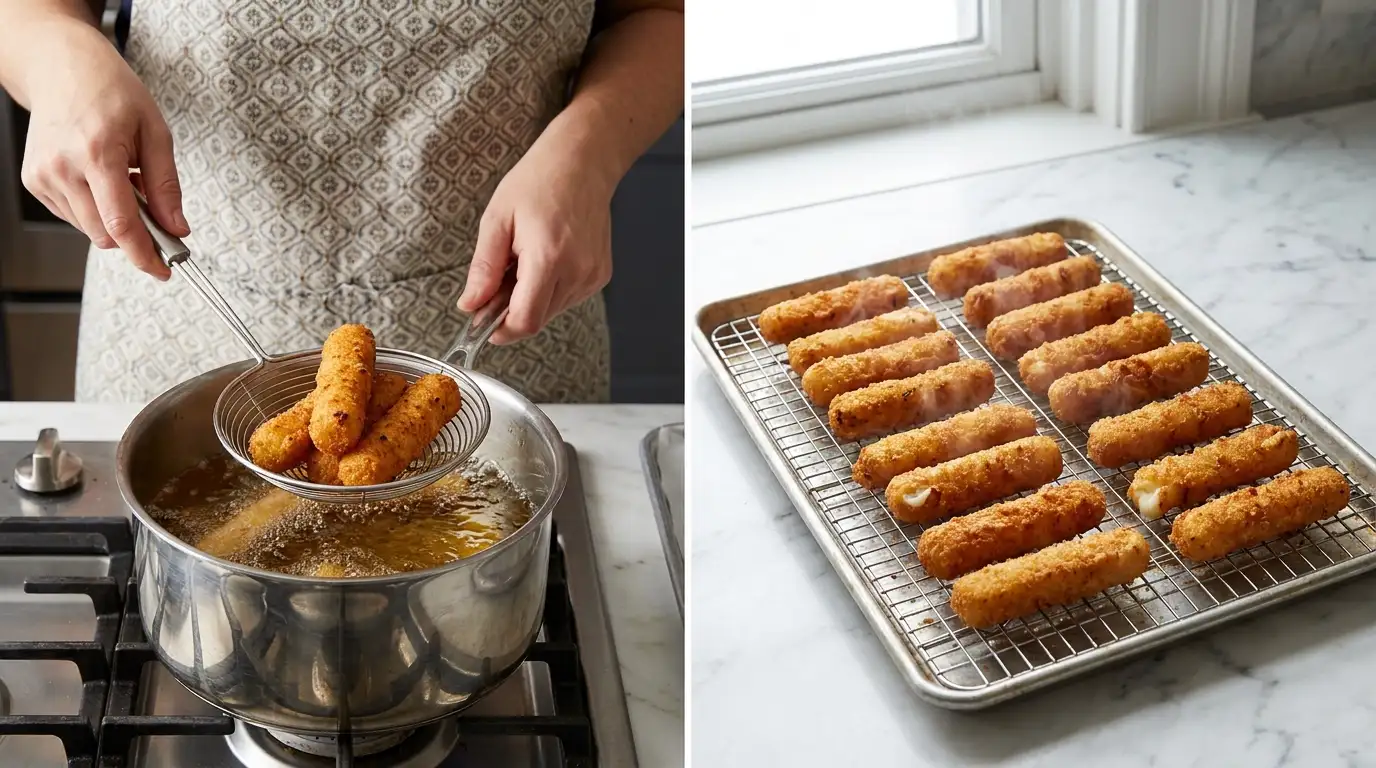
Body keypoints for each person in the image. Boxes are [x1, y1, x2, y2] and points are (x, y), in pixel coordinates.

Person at [0, 0, 683, 403]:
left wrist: (589, 154)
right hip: (182, 312)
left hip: (507, 319)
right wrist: (59, 59)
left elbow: (662, 13)